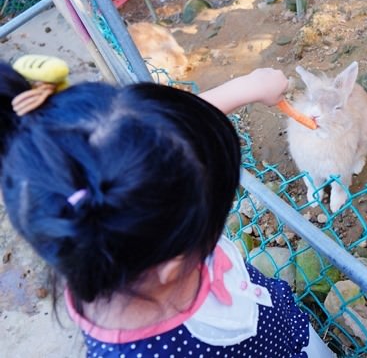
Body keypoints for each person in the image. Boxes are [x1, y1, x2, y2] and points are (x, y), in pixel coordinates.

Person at [0, 62, 334, 357]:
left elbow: (159, 145)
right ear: (172, 266)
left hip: (283, 327)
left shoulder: (101, 239)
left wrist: (245, 87)